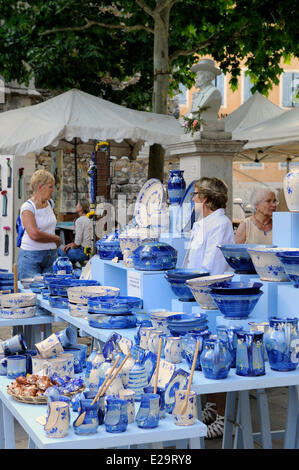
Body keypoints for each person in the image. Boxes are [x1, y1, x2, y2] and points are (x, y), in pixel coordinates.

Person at [182, 177, 235, 439]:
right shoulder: (203, 223)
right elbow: (192, 257)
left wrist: (194, 283)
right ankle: (212, 407)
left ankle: (223, 416)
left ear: (205, 198)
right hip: (197, 294)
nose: (192, 199)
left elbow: (213, 265)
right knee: (202, 356)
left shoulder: (221, 223)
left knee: (216, 356)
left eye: (195, 195)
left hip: (211, 296)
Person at [17, 169, 61, 279]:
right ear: (40, 187)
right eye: (50, 187)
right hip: (31, 257)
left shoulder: (50, 203)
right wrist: (55, 239)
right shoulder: (27, 207)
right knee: (30, 292)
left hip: (51, 256)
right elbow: (34, 234)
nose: (53, 190)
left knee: (49, 291)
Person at [58, 199, 92, 264]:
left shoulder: (79, 220)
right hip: (89, 251)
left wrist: (70, 247)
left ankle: (67, 269)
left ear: (81, 208)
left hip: (83, 253)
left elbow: (77, 243)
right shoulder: (89, 219)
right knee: (67, 248)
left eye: (77, 204)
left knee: (60, 250)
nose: (76, 206)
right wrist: (70, 245)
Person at [190, 59, 222, 123]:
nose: (196, 77)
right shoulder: (197, 94)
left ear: (208, 76)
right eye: (196, 74)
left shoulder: (214, 92)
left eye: (199, 74)